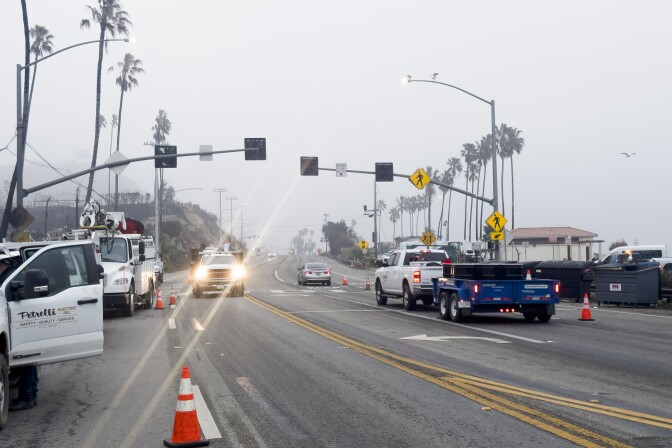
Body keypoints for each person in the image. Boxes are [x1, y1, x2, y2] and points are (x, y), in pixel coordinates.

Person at [0, 248, 39, 411]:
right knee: (29, 358)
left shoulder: (9, 276)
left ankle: (27, 397)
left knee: (26, 359)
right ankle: (32, 394)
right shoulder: (13, 272)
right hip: (23, 320)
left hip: (21, 321)